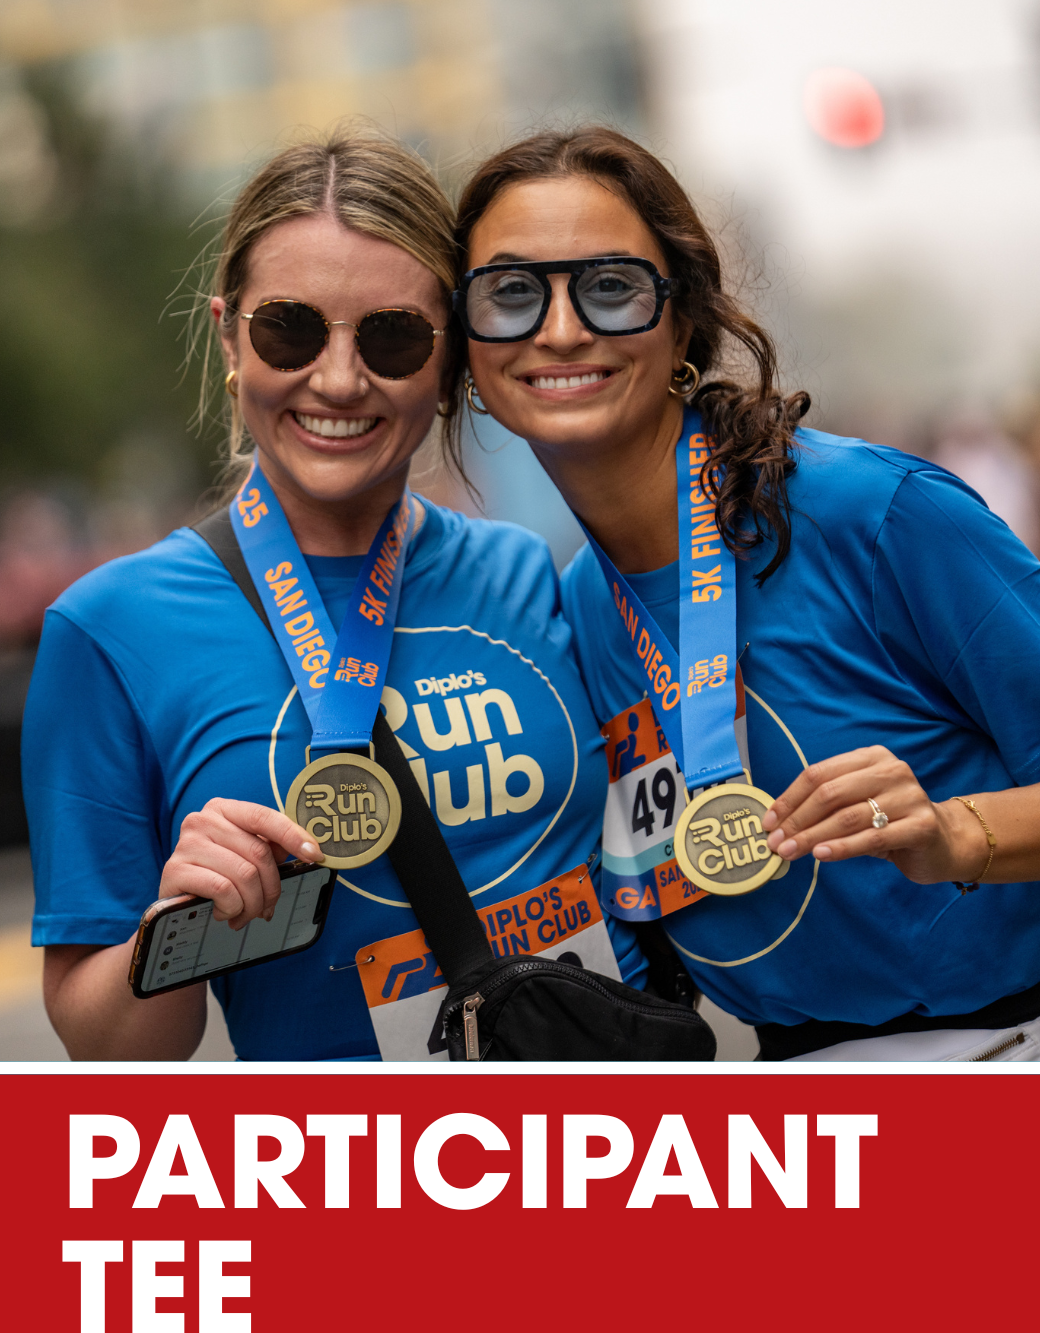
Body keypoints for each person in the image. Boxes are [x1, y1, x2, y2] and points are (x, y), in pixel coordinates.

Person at [453, 126, 1040, 1061]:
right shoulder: (580, 608)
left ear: (682, 319)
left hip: (1019, 1058)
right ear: (465, 348)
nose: (560, 328)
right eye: (510, 294)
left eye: (611, 287)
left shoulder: (871, 513)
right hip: (789, 1115)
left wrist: (955, 832)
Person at [27, 127, 645, 1062]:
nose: (341, 378)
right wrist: (178, 927)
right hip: (350, 1179)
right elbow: (110, 1050)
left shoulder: (528, 575)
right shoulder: (110, 631)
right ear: (229, 334)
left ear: (448, 364)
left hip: (610, 1156)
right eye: (291, 328)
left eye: (394, 338)